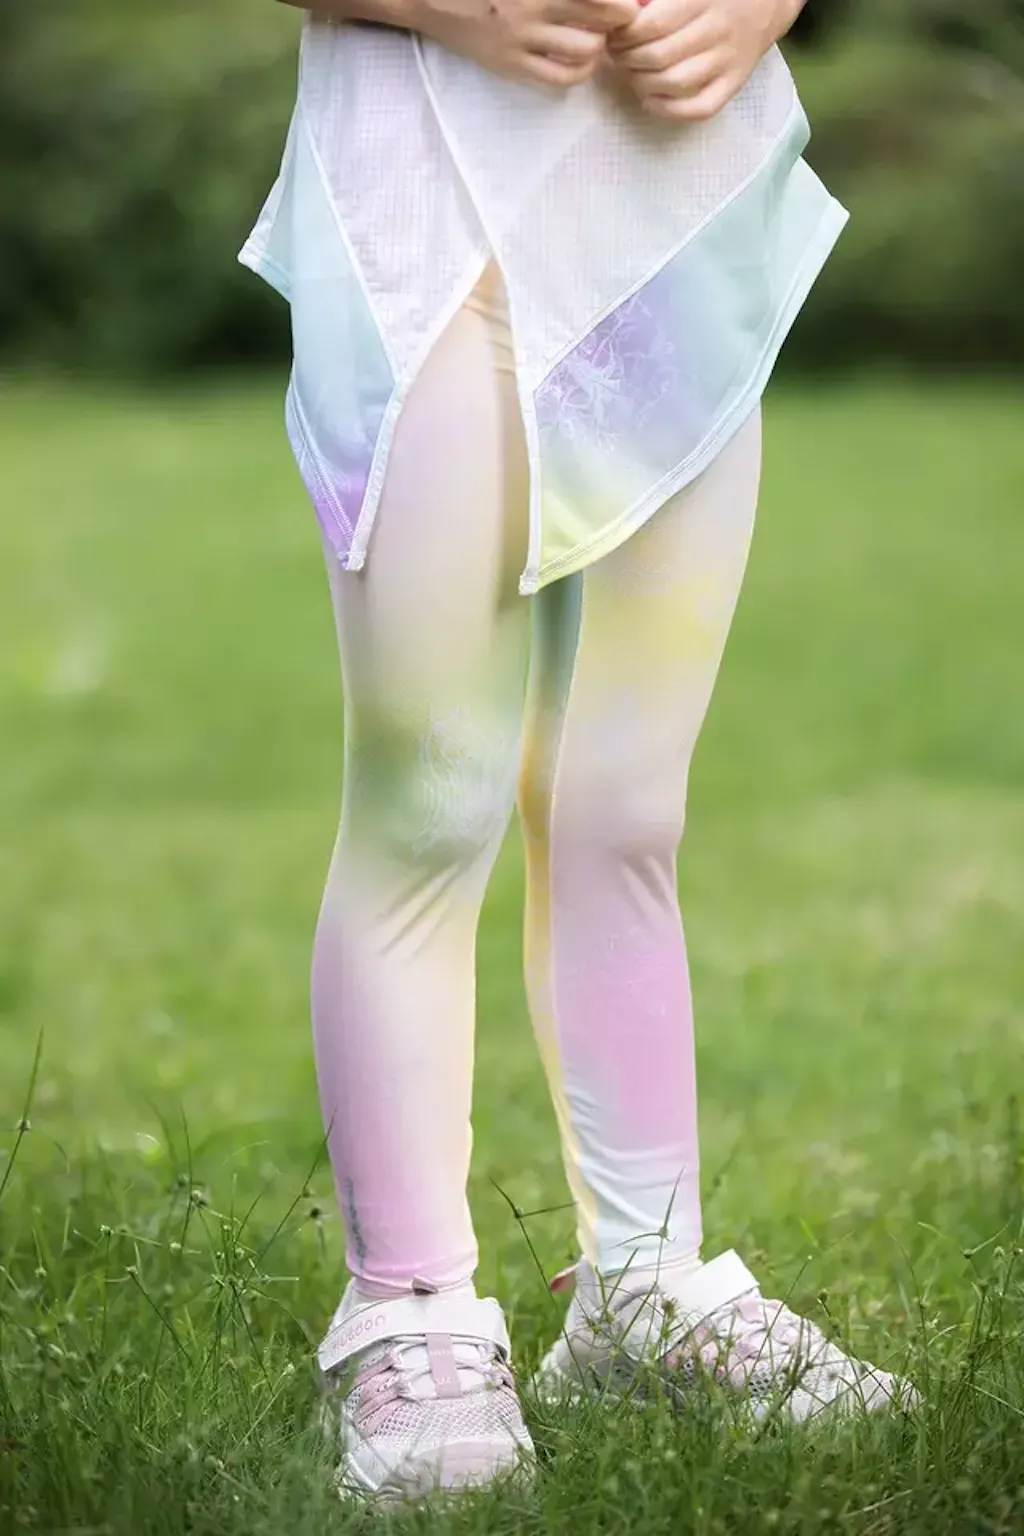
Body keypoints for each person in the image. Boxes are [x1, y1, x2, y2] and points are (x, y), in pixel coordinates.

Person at [240, 0, 914, 1500]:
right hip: (429, 203)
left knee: (626, 805)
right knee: (430, 802)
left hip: (672, 203)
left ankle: (645, 1288)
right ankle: (409, 1308)